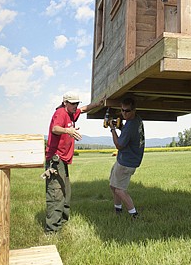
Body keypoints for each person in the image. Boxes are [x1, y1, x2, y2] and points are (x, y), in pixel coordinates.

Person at [44, 91, 102, 233]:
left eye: (77, 103)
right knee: (55, 194)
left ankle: (62, 222)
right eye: (73, 103)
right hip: (55, 159)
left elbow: (83, 110)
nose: (76, 106)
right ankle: (52, 230)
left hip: (63, 160)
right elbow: (55, 128)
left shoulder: (71, 113)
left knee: (65, 192)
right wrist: (68, 131)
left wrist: (98, 103)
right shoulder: (60, 113)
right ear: (65, 103)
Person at [109, 96, 145, 218]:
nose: (124, 113)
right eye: (122, 110)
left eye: (127, 111)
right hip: (128, 160)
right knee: (113, 185)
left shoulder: (130, 126)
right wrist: (120, 127)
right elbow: (128, 133)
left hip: (126, 162)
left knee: (119, 189)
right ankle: (117, 210)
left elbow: (119, 145)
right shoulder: (136, 120)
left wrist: (112, 129)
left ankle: (134, 214)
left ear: (134, 110)